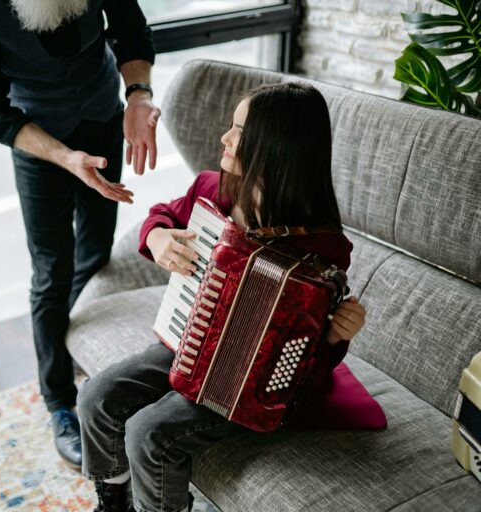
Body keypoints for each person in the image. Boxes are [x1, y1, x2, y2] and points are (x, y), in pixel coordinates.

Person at [77, 82, 386, 512]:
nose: (225, 137)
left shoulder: (325, 247)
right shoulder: (212, 191)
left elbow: (314, 358)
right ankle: (113, 501)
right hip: (189, 341)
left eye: (239, 130)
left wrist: (337, 335)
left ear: (275, 146)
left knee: (148, 432)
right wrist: (158, 235)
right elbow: (161, 215)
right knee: (96, 395)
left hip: (252, 383)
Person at [0, 0, 161, 470]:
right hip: (38, 140)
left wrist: (138, 95)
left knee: (96, 252)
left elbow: (132, 32)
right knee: (51, 270)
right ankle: (59, 402)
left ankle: (77, 349)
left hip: (104, 119)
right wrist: (63, 157)